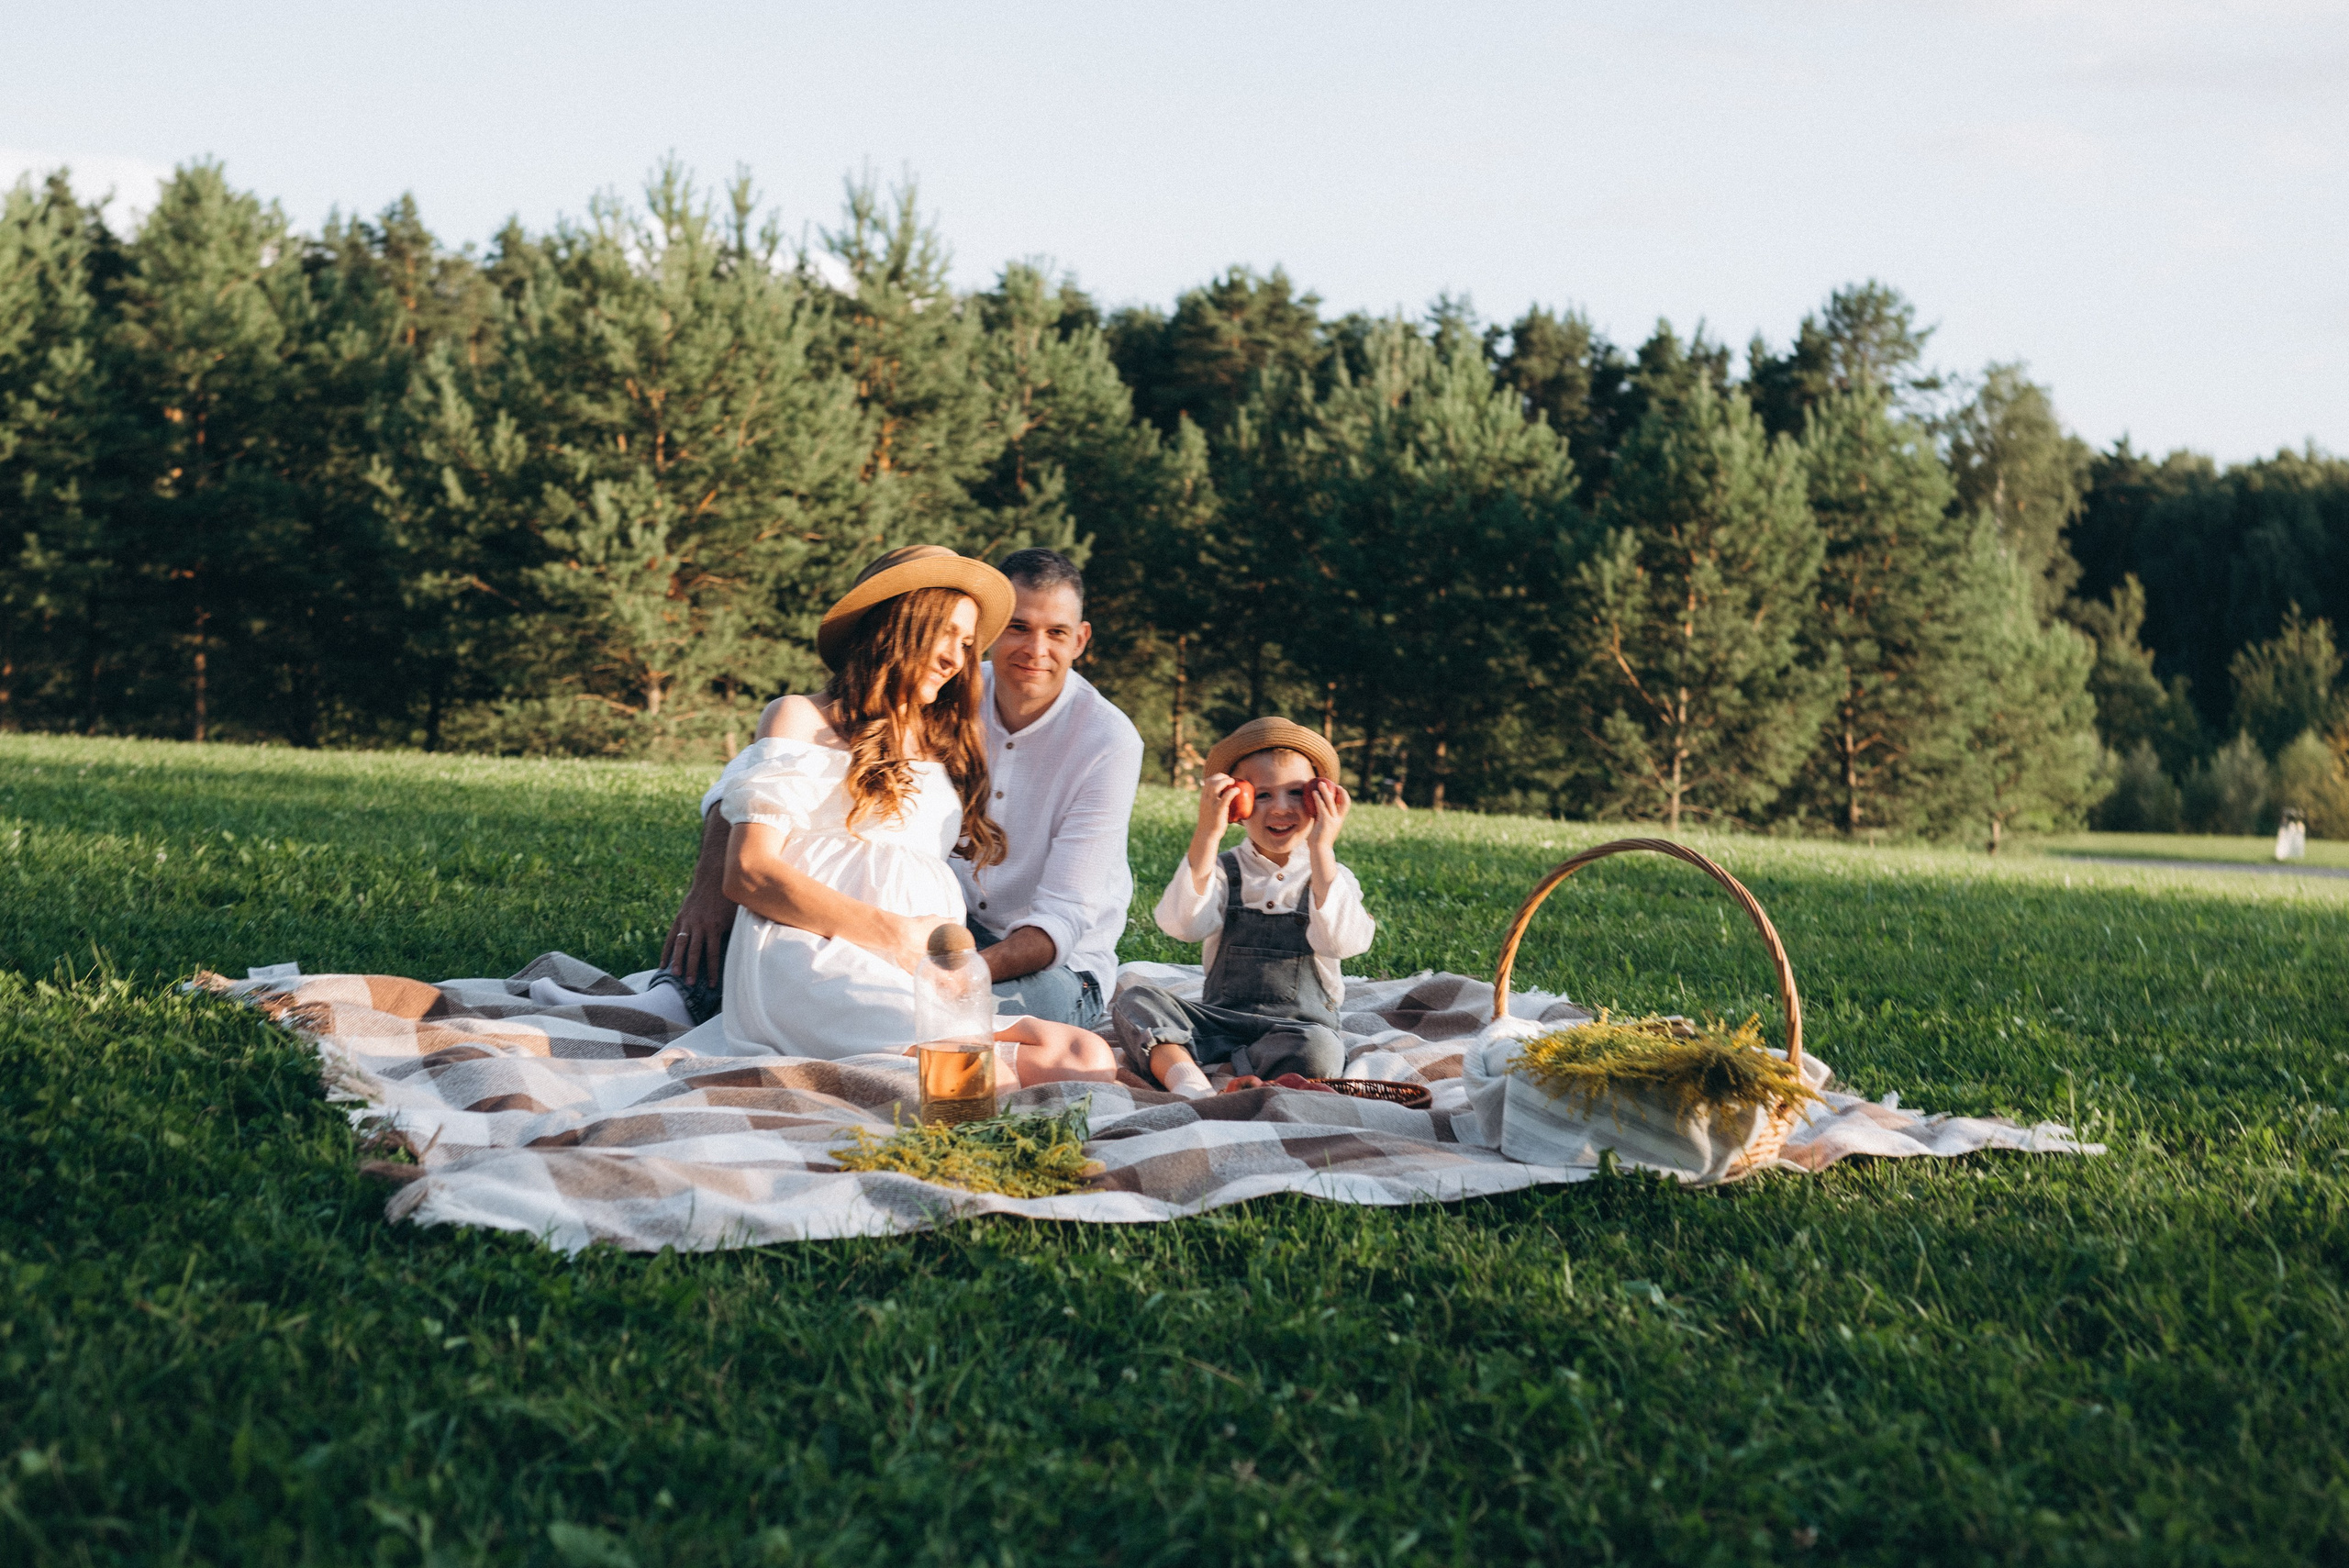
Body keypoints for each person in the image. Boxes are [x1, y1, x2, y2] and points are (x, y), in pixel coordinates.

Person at [544, 546, 1116, 1081]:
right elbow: (748, 855)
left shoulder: (946, 727)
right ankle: (717, 1004)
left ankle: (907, 1062)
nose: (956, 659)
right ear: (894, 625)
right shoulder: (801, 717)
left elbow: (1065, 911)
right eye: (944, 635)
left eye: (967, 644)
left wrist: (948, 965)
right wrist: (891, 935)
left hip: (922, 962)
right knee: (1034, 1068)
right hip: (815, 960)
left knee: (1083, 1052)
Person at [661, 547, 1143, 1030]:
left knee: (1025, 1011)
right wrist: (709, 887)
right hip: (927, 928)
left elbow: (1061, 919)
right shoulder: (944, 694)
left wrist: (955, 973)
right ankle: (706, 998)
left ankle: (880, 1018)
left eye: (1056, 633)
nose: (1036, 651)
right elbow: (758, 773)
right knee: (764, 944)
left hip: (1047, 959)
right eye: (1018, 627)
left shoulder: (1108, 741)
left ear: (1080, 640)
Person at [1109, 717, 1375, 1097]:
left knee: (1322, 1050)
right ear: (1236, 804)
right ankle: (1191, 1084)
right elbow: (1182, 925)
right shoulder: (1221, 868)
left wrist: (1322, 849)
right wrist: (1207, 832)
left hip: (1298, 1029)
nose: (1281, 808)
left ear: (1321, 799)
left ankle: (1243, 1073)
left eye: (1297, 792)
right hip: (1218, 1020)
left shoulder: (1333, 875)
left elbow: (1343, 944)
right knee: (1136, 1000)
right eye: (1262, 795)